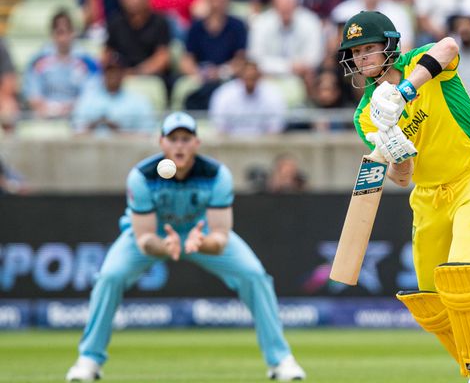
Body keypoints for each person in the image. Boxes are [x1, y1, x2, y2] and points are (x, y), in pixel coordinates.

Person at [337, 10, 470, 382]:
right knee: (431, 303)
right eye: (355, 52)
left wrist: (405, 93)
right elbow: (401, 178)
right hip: (427, 196)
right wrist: (399, 152)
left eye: (368, 48)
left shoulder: (420, 63)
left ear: (389, 46)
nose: (361, 59)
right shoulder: (365, 116)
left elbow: (450, 45)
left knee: (466, 276)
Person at [65, 111, 306, 382]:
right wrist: (165, 247)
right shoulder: (142, 177)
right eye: (173, 139)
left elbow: (220, 237)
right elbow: (144, 240)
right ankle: (88, 360)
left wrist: (202, 243)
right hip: (153, 236)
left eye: (186, 138)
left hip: (200, 233)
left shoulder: (216, 175)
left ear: (196, 143)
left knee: (254, 276)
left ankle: (280, 360)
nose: (179, 145)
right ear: (162, 143)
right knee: (109, 277)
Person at [23, 11, 100, 119]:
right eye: (59, 33)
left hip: (78, 115)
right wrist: (49, 109)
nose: (63, 38)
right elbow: (33, 94)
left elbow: (91, 94)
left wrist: (72, 109)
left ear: (73, 33)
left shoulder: (87, 61)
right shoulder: (38, 61)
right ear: (52, 34)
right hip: (46, 115)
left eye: (67, 32)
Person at [71, 53, 155, 135]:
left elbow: (146, 135)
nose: (113, 76)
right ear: (103, 74)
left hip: (125, 148)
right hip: (92, 147)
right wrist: (94, 125)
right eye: (109, 72)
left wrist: (119, 132)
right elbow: (76, 132)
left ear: (123, 74)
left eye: (117, 72)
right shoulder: (87, 99)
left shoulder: (138, 102)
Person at [208, 61, 287, 136]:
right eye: (247, 77)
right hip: (231, 144)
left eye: (253, 77)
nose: (250, 81)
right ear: (240, 77)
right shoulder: (224, 94)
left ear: (259, 77)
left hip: (264, 144)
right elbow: (220, 128)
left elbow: (275, 130)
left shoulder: (273, 94)